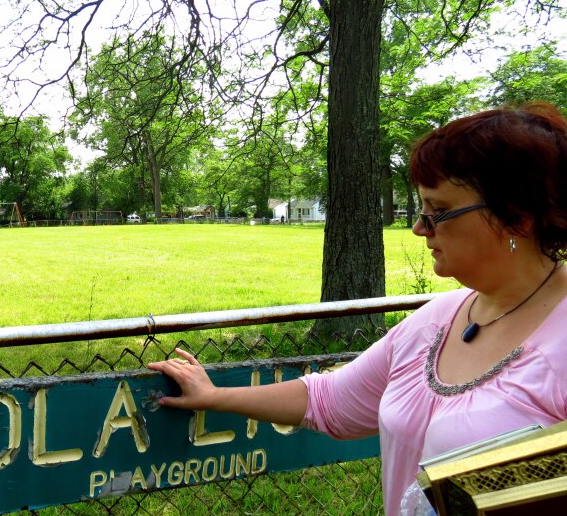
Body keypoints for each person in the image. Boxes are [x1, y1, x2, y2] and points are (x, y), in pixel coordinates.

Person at [148, 101, 567, 515]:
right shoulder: (437, 320)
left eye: (439, 211)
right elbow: (330, 400)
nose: (420, 228)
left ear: (517, 216)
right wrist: (216, 396)